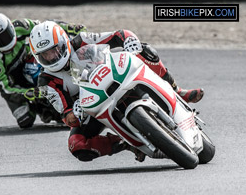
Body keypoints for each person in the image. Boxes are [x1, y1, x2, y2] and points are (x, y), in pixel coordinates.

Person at [28, 20, 204, 162]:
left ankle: (177, 91)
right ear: (38, 57)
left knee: (146, 50)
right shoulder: (47, 81)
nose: (52, 57)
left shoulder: (81, 40)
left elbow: (119, 35)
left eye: (54, 50)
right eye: (45, 54)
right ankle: (126, 144)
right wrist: (75, 113)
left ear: (64, 41)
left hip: (114, 78)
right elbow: (67, 117)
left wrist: (130, 41)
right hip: (92, 109)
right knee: (77, 145)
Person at [0, 13, 87, 129]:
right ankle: (41, 108)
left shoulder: (21, 26)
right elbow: (5, 89)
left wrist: (70, 28)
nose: (5, 41)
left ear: (10, 26)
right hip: (15, 82)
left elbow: (45, 28)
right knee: (25, 120)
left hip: (32, 59)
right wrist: (29, 93)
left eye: (7, 34)